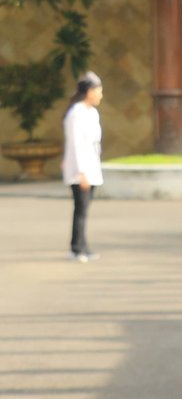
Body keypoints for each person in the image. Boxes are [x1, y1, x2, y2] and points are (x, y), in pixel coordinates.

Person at [61, 71, 104, 263]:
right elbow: (76, 144)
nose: (100, 95)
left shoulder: (92, 112)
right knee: (81, 209)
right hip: (81, 170)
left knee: (84, 210)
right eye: (98, 91)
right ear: (88, 91)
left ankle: (82, 246)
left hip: (91, 166)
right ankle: (77, 249)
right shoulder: (76, 113)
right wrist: (82, 173)